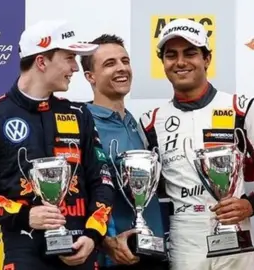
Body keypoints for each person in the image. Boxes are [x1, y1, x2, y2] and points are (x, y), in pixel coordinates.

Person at [0, 20, 115, 270]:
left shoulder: (79, 114)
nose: (75, 67)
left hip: (81, 251)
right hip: (26, 257)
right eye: (69, 58)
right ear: (41, 61)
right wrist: (23, 214)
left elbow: (102, 181)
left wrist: (93, 235)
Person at [138, 18, 254, 270]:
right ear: (163, 62)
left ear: (206, 59)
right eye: (171, 55)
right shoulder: (150, 122)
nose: (181, 62)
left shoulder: (241, 108)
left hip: (236, 237)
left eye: (190, 53)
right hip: (184, 242)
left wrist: (251, 205)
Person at [81, 34, 167, 270]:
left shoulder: (140, 125)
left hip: (155, 252)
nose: (121, 68)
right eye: (109, 64)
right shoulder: (83, 123)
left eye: (124, 61)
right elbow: (76, 198)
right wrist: (105, 243)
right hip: (114, 257)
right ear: (90, 76)